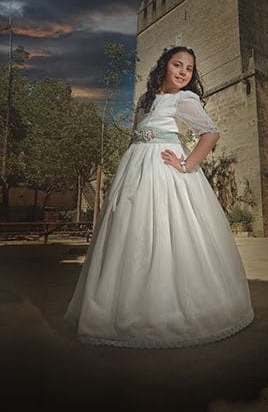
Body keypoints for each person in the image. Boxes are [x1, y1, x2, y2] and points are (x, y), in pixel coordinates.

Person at [64, 45, 254, 348]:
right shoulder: (146, 100)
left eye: (189, 69)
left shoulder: (184, 99)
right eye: (177, 65)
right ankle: (124, 309)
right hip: (136, 169)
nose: (183, 73)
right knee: (132, 234)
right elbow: (137, 134)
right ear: (164, 66)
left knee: (168, 233)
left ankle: (173, 313)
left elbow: (211, 133)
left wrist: (187, 164)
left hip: (165, 169)